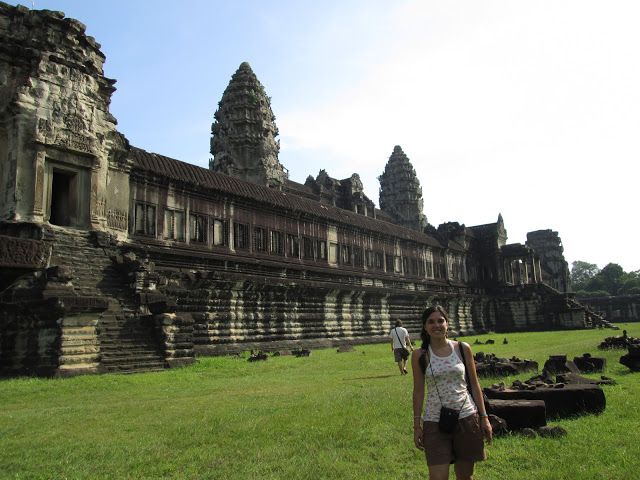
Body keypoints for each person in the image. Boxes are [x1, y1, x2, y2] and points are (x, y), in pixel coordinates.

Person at [411, 305, 492, 480]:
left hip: (466, 417)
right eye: (431, 322)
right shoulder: (420, 355)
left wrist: (484, 418)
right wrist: (417, 425)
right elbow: (418, 392)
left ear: (447, 324)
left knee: (465, 476)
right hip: (434, 420)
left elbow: (475, 384)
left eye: (441, 321)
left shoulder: (462, 348)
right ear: (425, 327)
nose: (436, 325)